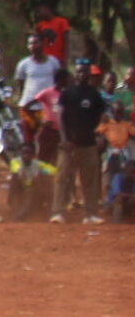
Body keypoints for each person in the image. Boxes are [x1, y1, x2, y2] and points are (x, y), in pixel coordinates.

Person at [53, 60, 109, 224]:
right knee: (62, 178)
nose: (81, 74)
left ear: (89, 74)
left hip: (89, 144)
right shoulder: (67, 93)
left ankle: (90, 214)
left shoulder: (95, 95)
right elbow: (60, 117)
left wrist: (100, 135)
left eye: (84, 72)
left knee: (90, 179)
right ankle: (58, 212)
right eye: (78, 71)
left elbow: (102, 118)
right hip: (69, 144)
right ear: (75, 73)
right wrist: (64, 139)